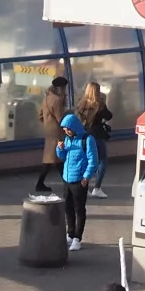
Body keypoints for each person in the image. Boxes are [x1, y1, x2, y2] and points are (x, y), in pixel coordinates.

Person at [57, 107, 98, 247]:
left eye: (67, 129)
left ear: (74, 127)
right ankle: (70, 233)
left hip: (79, 180)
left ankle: (77, 238)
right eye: (64, 130)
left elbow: (93, 160)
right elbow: (63, 157)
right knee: (68, 207)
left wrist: (86, 177)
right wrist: (60, 149)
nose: (66, 132)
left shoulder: (87, 139)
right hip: (67, 179)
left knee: (79, 209)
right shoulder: (67, 140)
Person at [33, 72, 70, 195]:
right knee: (59, 158)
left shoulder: (47, 98)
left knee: (50, 160)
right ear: (61, 88)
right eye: (64, 88)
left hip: (49, 132)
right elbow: (61, 119)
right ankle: (68, 183)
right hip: (57, 133)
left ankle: (40, 184)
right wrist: (69, 112)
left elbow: (40, 115)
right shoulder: (57, 100)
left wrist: (48, 122)